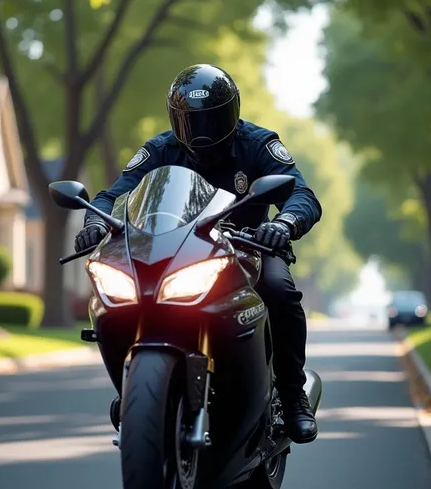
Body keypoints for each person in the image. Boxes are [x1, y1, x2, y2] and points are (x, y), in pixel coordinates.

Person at [74, 64, 322, 444]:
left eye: (212, 119)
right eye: (192, 122)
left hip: (249, 249)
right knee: (117, 297)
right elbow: (114, 193)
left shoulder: (257, 143)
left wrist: (283, 225)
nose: (201, 132)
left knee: (280, 292)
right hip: (177, 252)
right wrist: (95, 222)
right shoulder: (160, 149)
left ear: (233, 113)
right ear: (176, 120)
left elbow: (301, 194)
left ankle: (292, 396)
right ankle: (133, 391)